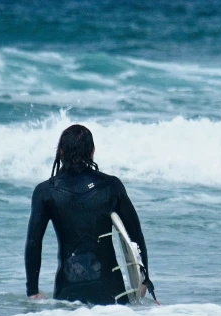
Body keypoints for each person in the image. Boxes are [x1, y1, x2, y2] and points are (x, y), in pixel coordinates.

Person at [25, 124, 153, 305]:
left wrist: (32, 290)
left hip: (67, 291)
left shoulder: (46, 191)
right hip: (111, 292)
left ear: (60, 151)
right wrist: (144, 278)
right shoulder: (111, 186)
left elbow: (33, 242)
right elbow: (135, 233)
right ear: (92, 152)